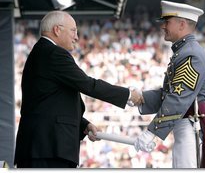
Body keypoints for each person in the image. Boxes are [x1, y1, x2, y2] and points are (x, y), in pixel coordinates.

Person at [14, 11, 143, 168]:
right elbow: (88, 84)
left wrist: (84, 125)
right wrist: (128, 95)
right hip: (48, 149)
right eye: (73, 31)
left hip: (42, 148)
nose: (76, 37)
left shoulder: (42, 52)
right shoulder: (53, 53)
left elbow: (50, 102)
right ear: (57, 30)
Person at [133, 0, 205, 168]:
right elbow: (171, 93)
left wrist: (151, 132)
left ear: (182, 24)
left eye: (167, 22)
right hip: (185, 125)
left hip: (190, 127)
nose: (163, 26)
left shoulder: (190, 54)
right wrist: (141, 98)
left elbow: (178, 99)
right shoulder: (185, 51)